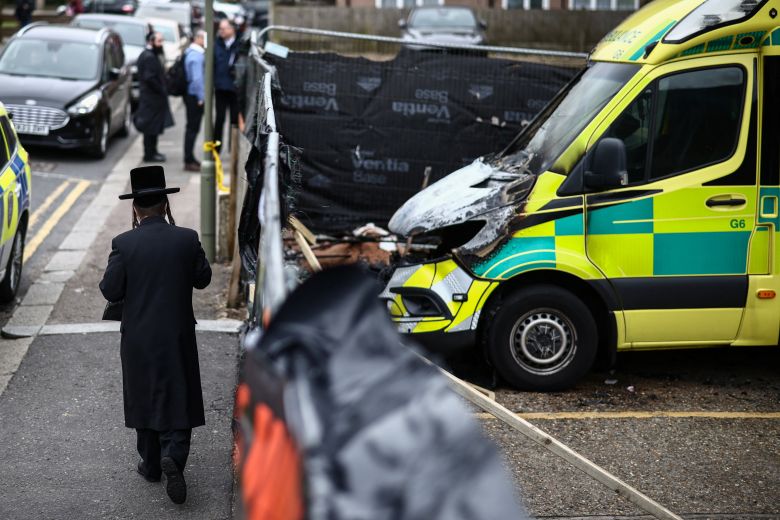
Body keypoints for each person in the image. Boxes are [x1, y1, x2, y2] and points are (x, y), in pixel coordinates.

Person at [99, 166, 211, 505]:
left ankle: (150, 465)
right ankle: (173, 456)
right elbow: (203, 279)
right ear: (165, 205)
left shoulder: (124, 243)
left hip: (138, 337)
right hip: (177, 334)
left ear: (135, 208)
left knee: (144, 393)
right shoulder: (187, 239)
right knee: (179, 391)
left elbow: (110, 288)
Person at [134, 32, 174, 163]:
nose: (161, 44)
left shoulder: (150, 55)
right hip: (151, 99)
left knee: (154, 127)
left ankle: (153, 151)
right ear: (151, 41)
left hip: (152, 98)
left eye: (162, 41)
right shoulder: (149, 57)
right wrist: (161, 89)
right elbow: (150, 78)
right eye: (159, 41)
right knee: (150, 128)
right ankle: (149, 154)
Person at [213, 19, 240, 153]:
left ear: (232, 29)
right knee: (219, 119)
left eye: (223, 29)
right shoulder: (216, 44)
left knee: (234, 121)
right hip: (220, 88)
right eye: (220, 29)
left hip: (235, 89)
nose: (221, 31)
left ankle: (233, 150)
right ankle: (216, 150)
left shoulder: (239, 45)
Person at [183, 30, 206, 172]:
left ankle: (189, 158)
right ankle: (188, 159)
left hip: (191, 95)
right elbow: (197, 79)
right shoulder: (196, 57)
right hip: (194, 97)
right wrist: (201, 97)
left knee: (191, 128)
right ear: (198, 38)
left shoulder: (190, 53)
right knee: (192, 128)